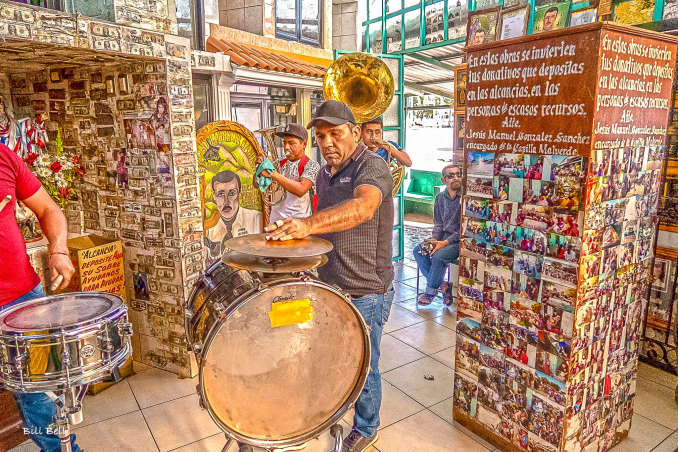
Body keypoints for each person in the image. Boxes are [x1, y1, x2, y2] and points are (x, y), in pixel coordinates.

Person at [265, 100, 394, 452]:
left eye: (335, 133)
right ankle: (326, 410)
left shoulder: (373, 166)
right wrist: (296, 243)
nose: (327, 142)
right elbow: (325, 228)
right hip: (330, 282)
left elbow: (363, 207)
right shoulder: (323, 173)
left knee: (364, 364)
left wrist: (306, 223)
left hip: (367, 287)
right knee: (329, 354)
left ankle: (367, 428)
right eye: (320, 136)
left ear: (354, 132)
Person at [0, 143, 78, 452]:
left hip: (23, 299)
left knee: (39, 393)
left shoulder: (4, 156)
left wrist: (58, 250)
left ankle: (60, 450)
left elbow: (48, 209)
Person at [413, 164, 462, 306]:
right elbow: (438, 223)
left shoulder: (466, 198)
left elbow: (466, 229)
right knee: (419, 251)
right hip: (443, 237)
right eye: (451, 175)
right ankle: (443, 285)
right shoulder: (440, 198)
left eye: (458, 174)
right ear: (443, 180)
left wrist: (445, 242)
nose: (456, 178)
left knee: (438, 256)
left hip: (459, 240)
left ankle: (430, 291)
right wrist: (435, 238)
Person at [257, 123, 320, 224]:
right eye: (284, 142)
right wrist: (260, 169)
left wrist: (275, 174)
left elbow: (301, 190)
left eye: (291, 143)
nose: (286, 147)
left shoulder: (311, 165)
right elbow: (256, 185)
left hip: (298, 224)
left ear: (304, 144)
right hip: (275, 222)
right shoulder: (278, 164)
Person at [204, 170, 263, 264]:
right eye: (220, 194)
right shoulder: (208, 228)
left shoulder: (256, 219)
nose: (226, 202)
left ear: (239, 193)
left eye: (231, 194)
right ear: (214, 195)